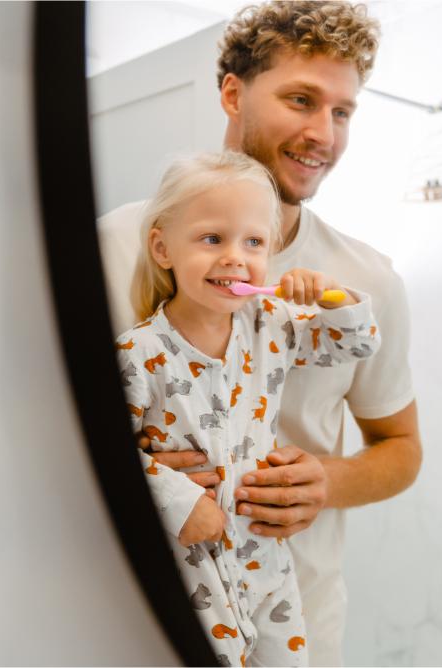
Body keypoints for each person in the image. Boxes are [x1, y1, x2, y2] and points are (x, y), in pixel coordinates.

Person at [98, 2, 422, 665]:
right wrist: (144, 477)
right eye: (300, 99)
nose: (321, 134)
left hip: (294, 614)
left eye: (341, 112)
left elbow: (401, 448)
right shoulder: (109, 246)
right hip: (135, 610)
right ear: (230, 92)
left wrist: (326, 481)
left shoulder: (365, 283)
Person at [115, 150, 379, 667]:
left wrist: (330, 296)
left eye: (253, 242)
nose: (235, 256)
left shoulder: (272, 324)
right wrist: (177, 500)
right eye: (213, 238)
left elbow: (356, 343)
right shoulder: (137, 354)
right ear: (162, 247)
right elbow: (102, 457)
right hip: (190, 568)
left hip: (266, 560)